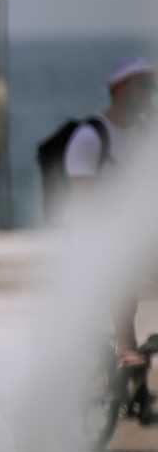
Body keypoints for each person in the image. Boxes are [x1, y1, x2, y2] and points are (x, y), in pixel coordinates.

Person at [40, 57, 155, 361]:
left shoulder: (144, 135)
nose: (149, 92)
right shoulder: (91, 137)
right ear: (119, 89)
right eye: (142, 85)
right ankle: (125, 346)